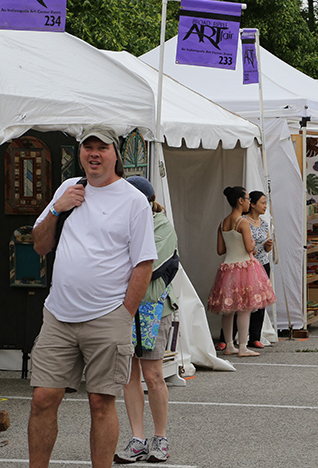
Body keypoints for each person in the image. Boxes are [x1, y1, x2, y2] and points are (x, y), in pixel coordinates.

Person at [28, 126, 157, 468]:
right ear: (81, 153)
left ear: (116, 154)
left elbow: (144, 263)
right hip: (59, 314)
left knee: (101, 401)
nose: (95, 154)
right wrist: (57, 209)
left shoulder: (133, 201)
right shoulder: (69, 189)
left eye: (102, 147)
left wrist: (124, 314)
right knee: (43, 397)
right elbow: (40, 245)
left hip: (107, 316)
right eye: (89, 147)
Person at [115, 177, 179, 464]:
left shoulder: (162, 225)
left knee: (153, 375)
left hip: (153, 308)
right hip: (125, 308)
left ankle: (160, 437)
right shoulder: (122, 223)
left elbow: (145, 265)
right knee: (129, 375)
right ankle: (137, 439)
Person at [208, 186, 276, 356]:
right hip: (244, 266)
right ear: (240, 201)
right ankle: (243, 346)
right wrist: (254, 242)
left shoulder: (223, 222)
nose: (248, 202)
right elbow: (249, 247)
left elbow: (220, 250)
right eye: (247, 199)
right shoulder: (243, 222)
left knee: (229, 308)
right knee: (245, 307)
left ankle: (230, 344)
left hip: (228, 267)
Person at [242, 190, 274, 348]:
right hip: (247, 264)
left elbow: (267, 249)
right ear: (252, 204)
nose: (265, 206)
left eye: (266, 203)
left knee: (261, 301)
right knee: (242, 299)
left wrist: (268, 246)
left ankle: (255, 336)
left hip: (262, 264)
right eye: (262, 203)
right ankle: (228, 336)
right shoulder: (242, 221)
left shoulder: (264, 223)